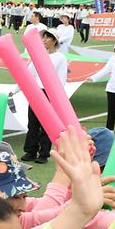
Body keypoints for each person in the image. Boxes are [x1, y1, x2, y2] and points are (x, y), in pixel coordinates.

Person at [23, 28, 68, 164]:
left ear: (54, 41)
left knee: (45, 125)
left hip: (49, 93)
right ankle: (30, 151)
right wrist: (16, 89)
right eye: (44, 37)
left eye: (48, 38)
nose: (44, 40)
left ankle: (43, 154)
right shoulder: (37, 55)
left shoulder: (60, 58)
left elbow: (61, 80)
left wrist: (55, 97)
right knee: (32, 123)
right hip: (36, 92)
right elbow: (28, 74)